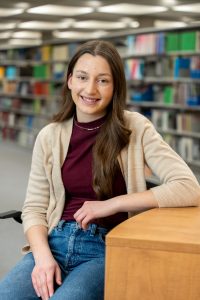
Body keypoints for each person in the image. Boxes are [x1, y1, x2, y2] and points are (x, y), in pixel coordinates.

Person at [0, 40, 200, 300]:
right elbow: (34, 208)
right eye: (82, 77)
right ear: (70, 80)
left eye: (103, 80)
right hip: (55, 241)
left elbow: (189, 187)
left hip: (106, 247)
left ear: (115, 86)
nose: (90, 89)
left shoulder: (135, 128)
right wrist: (42, 258)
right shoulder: (49, 136)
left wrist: (112, 204)